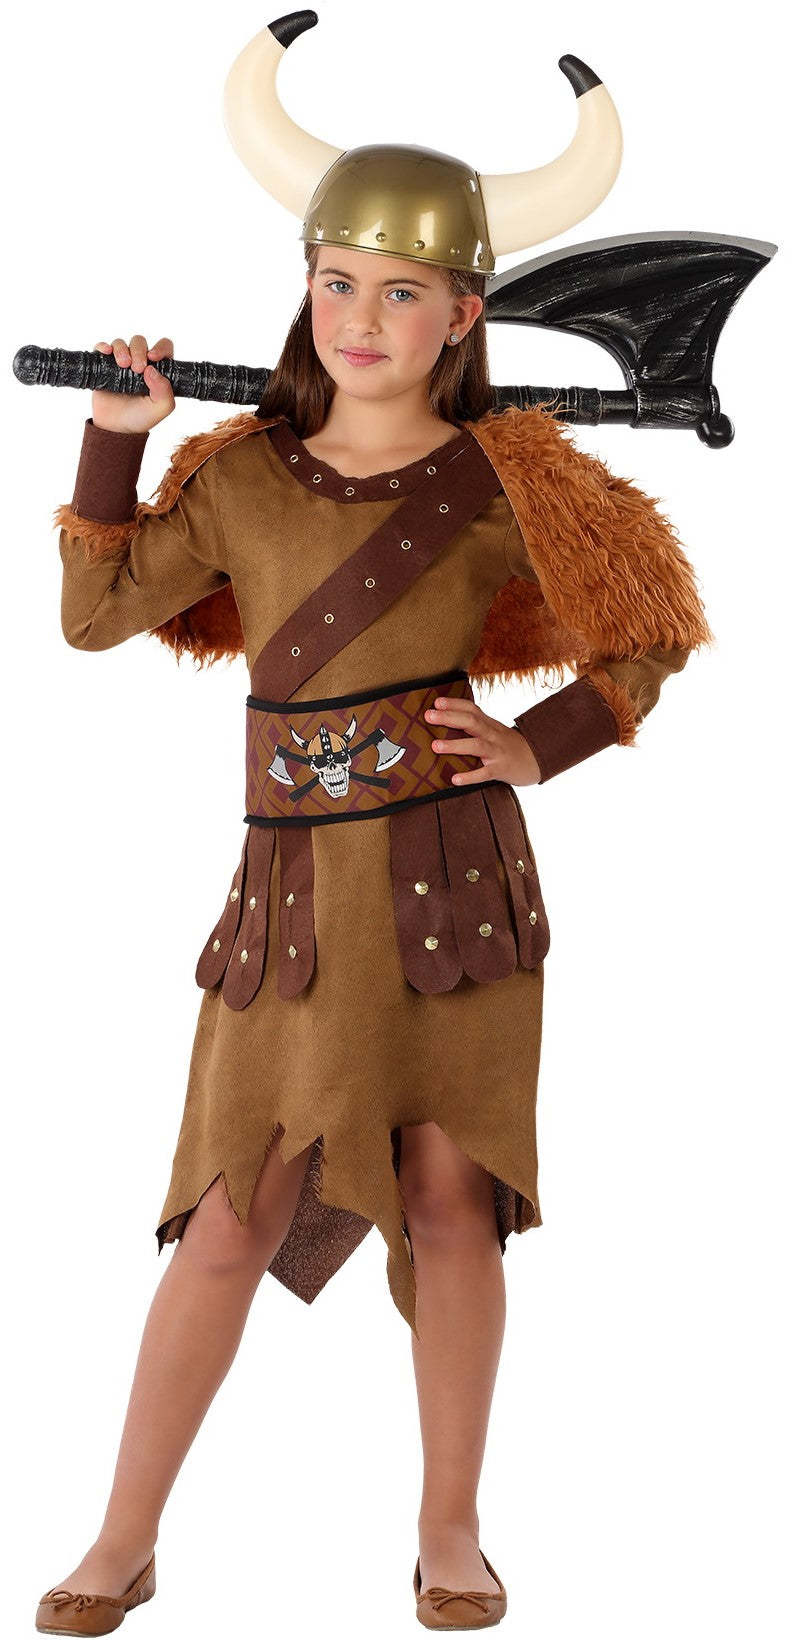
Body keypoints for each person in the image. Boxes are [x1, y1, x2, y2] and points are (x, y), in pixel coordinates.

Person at [35, 15, 713, 1637]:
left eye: (402, 293)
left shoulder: (515, 478)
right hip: (288, 902)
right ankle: (123, 1537)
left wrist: (537, 746)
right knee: (228, 1213)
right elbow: (95, 615)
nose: (360, 319)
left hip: (450, 890)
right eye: (335, 282)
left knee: (450, 1200)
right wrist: (116, 447)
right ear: (303, 289)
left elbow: (649, 631)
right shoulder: (240, 474)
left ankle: (449, 1530)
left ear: (465, 314)